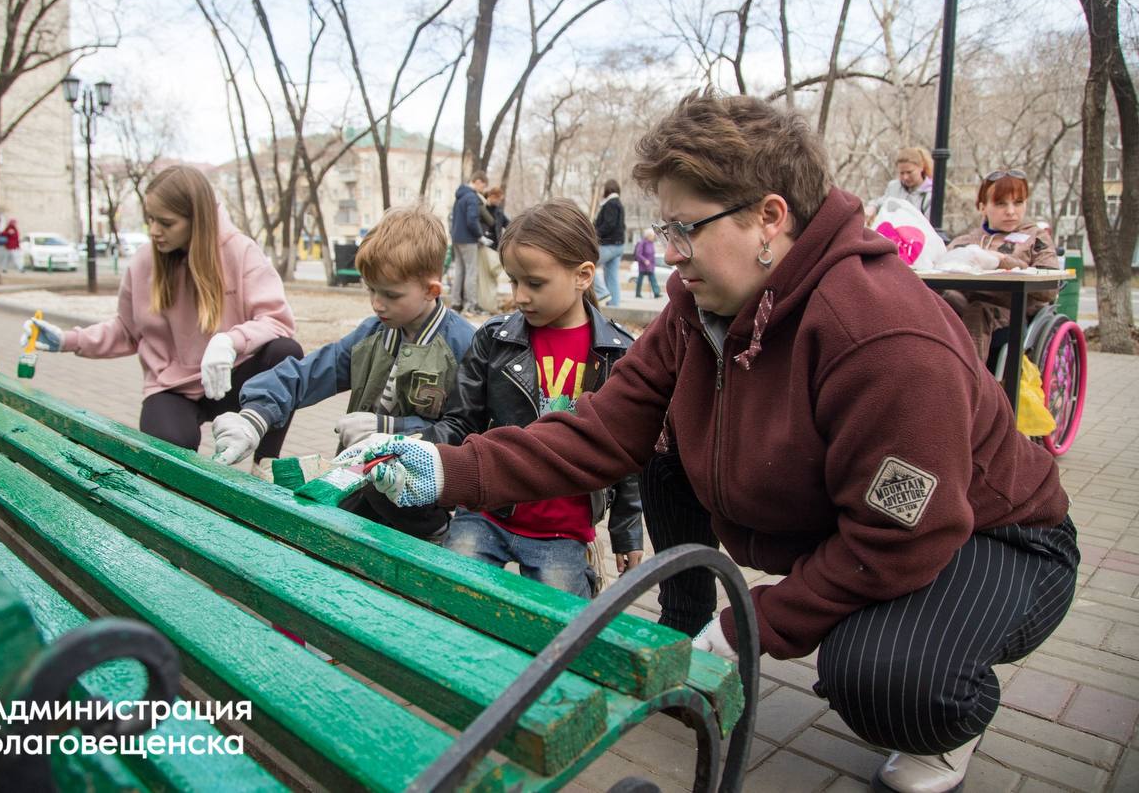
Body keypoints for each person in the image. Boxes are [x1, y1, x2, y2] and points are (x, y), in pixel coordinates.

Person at [338, 92, 1077, 793]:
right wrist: (448, 465)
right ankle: (692, 627)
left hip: (991, 537)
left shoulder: (882, 335)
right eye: (668, 230)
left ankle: (945, 713)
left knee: (877, 673)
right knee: (666, 452)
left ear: (769, 218)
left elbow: (898, 536)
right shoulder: (701, 306)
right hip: (858, 513)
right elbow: (601, 429)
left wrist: (749, 627)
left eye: (686, 228)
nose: (672, 254)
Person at [410, 198, 643, 597]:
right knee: (448, 601)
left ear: (583, 275)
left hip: (562, 530)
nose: (519, 296)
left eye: (534, 283)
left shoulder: (616, 354)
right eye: (513, 280)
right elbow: (461, 421)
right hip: (486, 512)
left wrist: (627, 531)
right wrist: (420, 454)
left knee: (561, 638)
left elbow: (626, 451)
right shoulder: (495, 339)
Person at [211, 204, 475, 540]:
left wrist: (388, 428)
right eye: (371, 290)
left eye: (390, 294)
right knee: (314, 533)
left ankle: (436, 533)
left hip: (419, 501)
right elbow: (308, 373)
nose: (377, 304)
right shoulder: (372, 333)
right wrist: (255, 415)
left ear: (431, 290)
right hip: (355, 479)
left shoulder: (463, 344)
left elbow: (465, 431)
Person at [21, 164, 302, 476]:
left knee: (285, 352)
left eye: (166, 223)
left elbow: (277, 320)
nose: (154, 231)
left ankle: (265, 466)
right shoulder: (144, 261)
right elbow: (127, 329)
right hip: (172, 388)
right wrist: (66, 340)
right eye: (150, 219)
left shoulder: (240, 251)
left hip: (230, 377)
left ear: (199, 220)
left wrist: (229, 341)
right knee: (168, 464)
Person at [940, 169, 1060, 364]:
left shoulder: (1036, 238)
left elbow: (1050, 289)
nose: (1011, 211)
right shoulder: (966, 241)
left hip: (1014, 313)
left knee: (978, 310)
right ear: (982, 207)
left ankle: (971, 386)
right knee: (936, 300)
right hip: (966, 304)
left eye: (1018, 203)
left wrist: (1001, 260)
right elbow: (939, 268)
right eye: (1001, 203)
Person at [450, 170, 488, 314]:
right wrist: (480, 236)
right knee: (471, 271)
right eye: (483, 186)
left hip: (456, 238)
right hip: (468, 239)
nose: (483, 190)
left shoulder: (459, 196)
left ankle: (456, 303)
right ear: (478, 182)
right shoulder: (471, 197)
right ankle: (471, 304)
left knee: (459, 271)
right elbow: (472, 220)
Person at [869, 146, 933, 220]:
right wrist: (872, 207)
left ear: (921, 167)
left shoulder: (929, 194)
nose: (905, 177)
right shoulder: (894, 187)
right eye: (902, 173)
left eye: (909, 172)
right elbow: (881, 202)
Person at [592, 179, 626, 306]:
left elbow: (608, 224)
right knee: (612, 276)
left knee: (586, 262)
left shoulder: (610, 204)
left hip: (610, 245)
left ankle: (601, 292)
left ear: (608, 190)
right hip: (619, 245)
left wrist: (593, 234)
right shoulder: (619, 204)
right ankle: (614, 306)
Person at [475, 186, 508, 314]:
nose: (499, 202)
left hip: (495, 248)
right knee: (484, 279)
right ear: (491, 196)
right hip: (484, 247)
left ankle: (490, 305)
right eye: (498, 199)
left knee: (493, 278)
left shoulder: (499, 212)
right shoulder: (481, 209)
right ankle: (484, 305)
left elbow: (508, 224)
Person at [633, 230, 661, 298]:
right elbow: (638, 254)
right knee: (640, 280)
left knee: (653, 280)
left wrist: (653, 265)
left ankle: (656, 293)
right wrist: (644, 260)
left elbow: (652, 255)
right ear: (648, 236)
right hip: (643, 265)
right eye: (652, 236)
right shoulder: (642, 243)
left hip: (650, 266)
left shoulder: (651, 243)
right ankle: (638, 293)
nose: (653, 237)